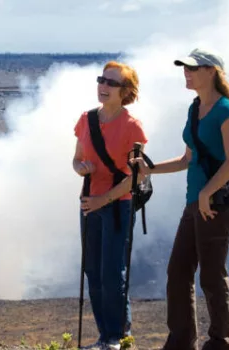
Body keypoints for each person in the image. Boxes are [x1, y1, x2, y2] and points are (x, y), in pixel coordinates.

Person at [133, 48, 229, 350]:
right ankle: (181, 340)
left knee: (211, 274)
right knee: (178, 272)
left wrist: (207, 193)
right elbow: (187, 159)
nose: (187, 72)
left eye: (193, 68)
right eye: (185, 67)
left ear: (211, 72)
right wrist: (150, 169)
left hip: (216, 203)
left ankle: (220, 342)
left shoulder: (225, 111)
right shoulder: (195, 109)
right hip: (195, 202)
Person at [73, 61, 147, 350]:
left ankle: (116, 337)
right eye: (101, 80)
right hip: (90, 202)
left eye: (111, 83)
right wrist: (81, 169)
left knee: (112, 272)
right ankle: (106, 336)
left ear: (125, 91)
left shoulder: (133, 127)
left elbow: (135, 176)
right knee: (93, 269)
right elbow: (76, 158)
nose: (103, 87)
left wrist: (103, 199)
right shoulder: (86, 119)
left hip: (118, 205)